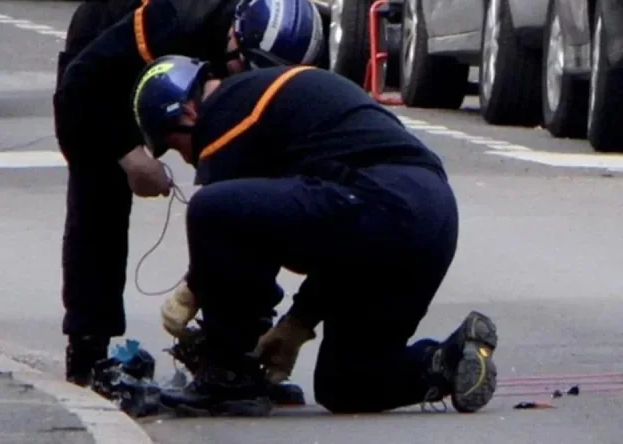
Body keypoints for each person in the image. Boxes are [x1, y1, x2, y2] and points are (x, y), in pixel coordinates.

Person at [131, 55, 499, 417]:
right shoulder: (272, 103)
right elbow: (340, 240)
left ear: (187, 114)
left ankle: (227, 378)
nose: (189, 160)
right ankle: (449, 360)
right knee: (347, 384)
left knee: (210, 209)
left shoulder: (227, 112)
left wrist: (195, 289)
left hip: (384, 201)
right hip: (428, 218)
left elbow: (228, 229)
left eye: (176, 146)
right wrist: (298, 323)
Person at [52, 0, 326, 387]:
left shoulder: (304, 51)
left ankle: (234, 347)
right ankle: (88, 345)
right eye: (246, 72)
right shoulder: (173, 16)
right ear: (235, 38)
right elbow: (77, 90)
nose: (251, 86)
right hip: (105, 68)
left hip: (204, 73)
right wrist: (127, 154)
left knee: (252, 199)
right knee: (100, 193)